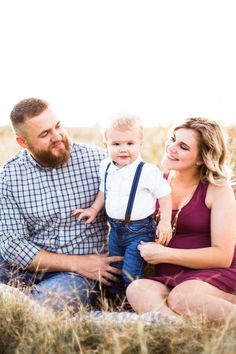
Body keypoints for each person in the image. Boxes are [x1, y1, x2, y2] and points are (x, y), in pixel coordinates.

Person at [0, 98, 122, 310]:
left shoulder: (100, 163)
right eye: (45, 134)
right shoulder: (9, 176)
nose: (57, 137)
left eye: (58, 126)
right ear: (23, 142)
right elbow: (12, 245)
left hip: (80, 275)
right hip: (29, 266)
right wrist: (78, 263)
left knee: (43, 305)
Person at [126, 117, 236, 322]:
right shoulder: (156, 183)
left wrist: (165, 254)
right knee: (137, 289)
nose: (171, 147)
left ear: (201, 158)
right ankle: (184, 332)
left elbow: (223, 255)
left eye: (183, 146)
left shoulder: (217, 190)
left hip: (215, 273)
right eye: (173, 139)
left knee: (182, 298)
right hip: (171, 277)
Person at [73, 114, 172, 293]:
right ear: (106, 145)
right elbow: (104, 191)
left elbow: (164, 195)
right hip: (115, 230)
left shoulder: (147, 171)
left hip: (139, 230)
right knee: (115, 267)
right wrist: (94, 209)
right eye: (116, 144)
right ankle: (116, 302)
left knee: (131, 271)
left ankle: (135, 302)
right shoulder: (106, 167)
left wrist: (165, 222)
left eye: (130, 143)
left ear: (140, 144)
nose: (123, 149)